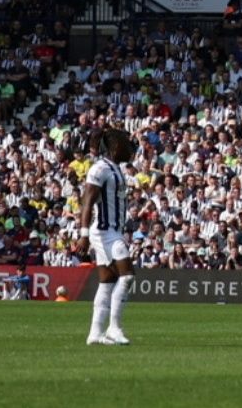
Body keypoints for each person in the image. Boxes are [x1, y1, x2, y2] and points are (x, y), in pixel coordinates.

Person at [79, 128, 137, 347]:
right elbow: (87, 201)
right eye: (126, 143)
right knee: (128, 275)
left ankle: (95, 333)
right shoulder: (100, 169)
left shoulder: (115, 168)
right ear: (115, 146)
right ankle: (114, 327)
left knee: (107, 281)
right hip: (104, 231)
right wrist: (83, 235)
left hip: (112, 231)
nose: (130, 147)